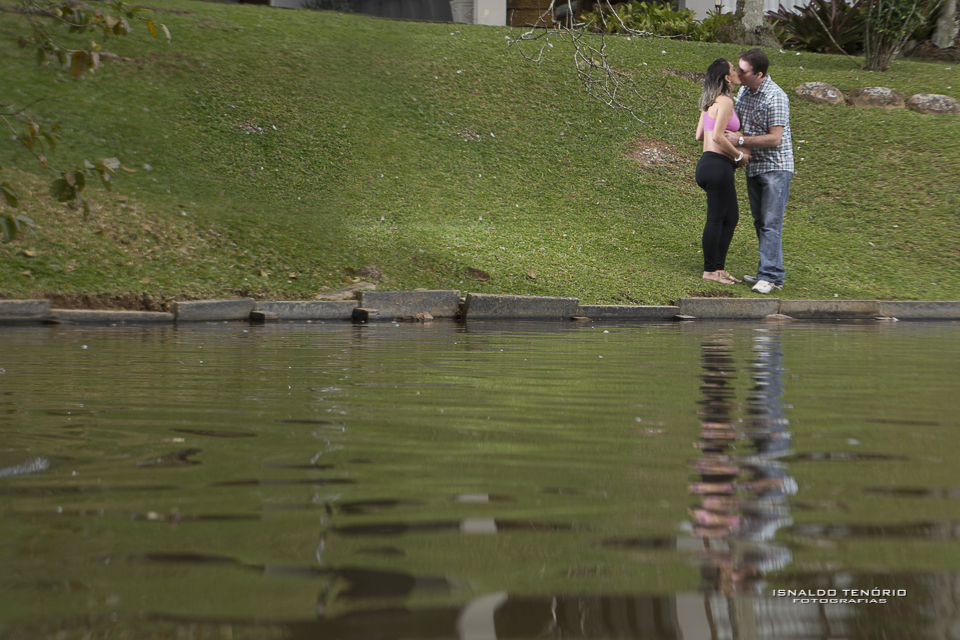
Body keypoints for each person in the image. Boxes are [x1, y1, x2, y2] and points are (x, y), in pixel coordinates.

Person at [725, 48, 795, 295]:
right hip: (754, 166)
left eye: (743, 71)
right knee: (761, 221)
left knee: (770, 222)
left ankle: (768, 276)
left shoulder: (776, 97)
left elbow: (775, 138)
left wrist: (740, 141)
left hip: (776, 167)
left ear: (759, 74)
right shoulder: (745, 91)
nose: (738, 73)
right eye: (738, 68)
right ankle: (772, 272)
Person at [695, 59, 749, 285]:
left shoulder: (709, 102)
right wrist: (738, 156)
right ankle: (710, 271)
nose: (738, 72)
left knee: (730, 217)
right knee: (716, 219)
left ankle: (719, 268)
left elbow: (700, 135)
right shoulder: (725, 100)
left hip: (707, 164)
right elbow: (717, 137)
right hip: (718, 166)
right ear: (727, 78)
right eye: (734, 70)